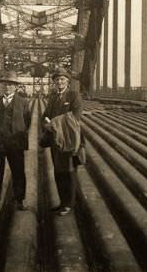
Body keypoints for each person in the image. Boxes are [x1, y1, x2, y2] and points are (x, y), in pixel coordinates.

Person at [0, 70, 32, 211]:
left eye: (11, 84)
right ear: (3, 85)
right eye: (6, 84)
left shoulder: (23, 102)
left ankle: (20, 200)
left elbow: (27, 122)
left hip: (15, 143)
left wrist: (17, 135)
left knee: (18, 172)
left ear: (16, 87)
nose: (8, 87)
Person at [42, 67, 83, 216]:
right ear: (54, 82)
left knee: (69, 172)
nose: (59, 82)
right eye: (57, 79)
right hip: (55, 140)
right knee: (58, 171)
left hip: (69, 140)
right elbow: (45, 115)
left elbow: (75, 118)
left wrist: (52, 123)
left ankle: (69, 205)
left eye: (62, 79)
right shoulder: (53, 97)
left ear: (68, 81)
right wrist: (46, 122)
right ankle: (62, 202)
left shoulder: (74, 96)